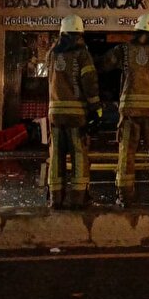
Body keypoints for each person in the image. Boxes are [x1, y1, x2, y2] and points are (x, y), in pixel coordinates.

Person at [100, 12, 149, 207]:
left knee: (126, 154)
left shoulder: (124, 49)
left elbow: (104, 65)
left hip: (130, 111)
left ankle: (125, 197)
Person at [45, 15, 101, 209]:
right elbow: (89, 82)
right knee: (79, 154)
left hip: (55, 114)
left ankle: (55, 198)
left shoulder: (52, 54)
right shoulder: (82, 54)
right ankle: (78, 198)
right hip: (76, 114)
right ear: (79, 34)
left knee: (56, 156)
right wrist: (96, 109)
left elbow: (50, 82)